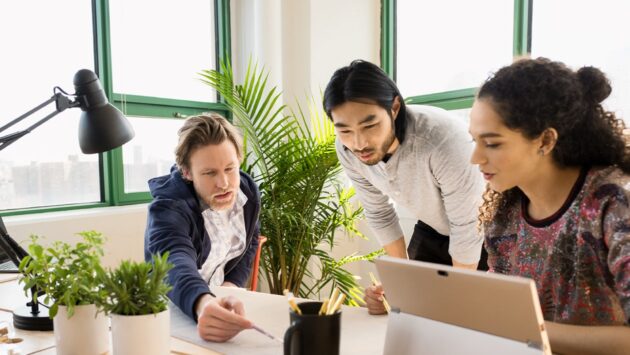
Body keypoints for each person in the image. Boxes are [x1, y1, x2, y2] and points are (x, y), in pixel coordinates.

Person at [470, 57, 630, 354]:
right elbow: (504, 309)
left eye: (491, 143)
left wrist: (533, 331)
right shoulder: (504, 216)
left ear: (545, 140)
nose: (475, 158)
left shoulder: (613, 203)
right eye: (475, 141)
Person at [323, 60, 487, 315]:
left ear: (395, 107)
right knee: (412, 312)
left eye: (370, 126)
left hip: (486, 234)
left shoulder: (441, 141)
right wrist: (398, 290)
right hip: (433, 227)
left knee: (471, 317)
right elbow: (379, 212)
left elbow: (467, 228)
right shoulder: (346, 147)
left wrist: (456, 300)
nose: (359, 143)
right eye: (344, 130)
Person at [144, 113, 260, 342]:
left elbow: (251, 238)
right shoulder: (168, 207)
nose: (224, 183)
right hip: (171, 314)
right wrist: (203, 302)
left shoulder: (247, 192)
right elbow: (173, 262)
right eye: (209, 173)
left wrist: (231, 286)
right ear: (186, 172)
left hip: (215, 304)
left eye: (230, 168)